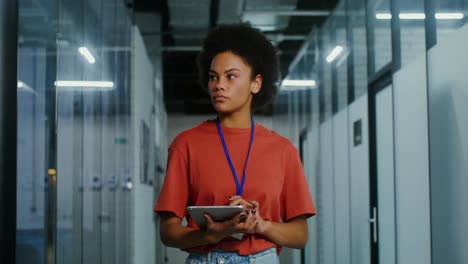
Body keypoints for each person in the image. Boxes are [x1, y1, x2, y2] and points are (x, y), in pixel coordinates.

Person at [154, 23, 316, 264]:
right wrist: (208, 235)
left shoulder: (283, 150)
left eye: (231, 76)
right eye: (213, 77)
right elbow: (168, 232)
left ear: (256, 83)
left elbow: (300, 235)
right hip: (205, 258)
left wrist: (260, 224)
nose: (219, 85)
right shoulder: (185, 144)